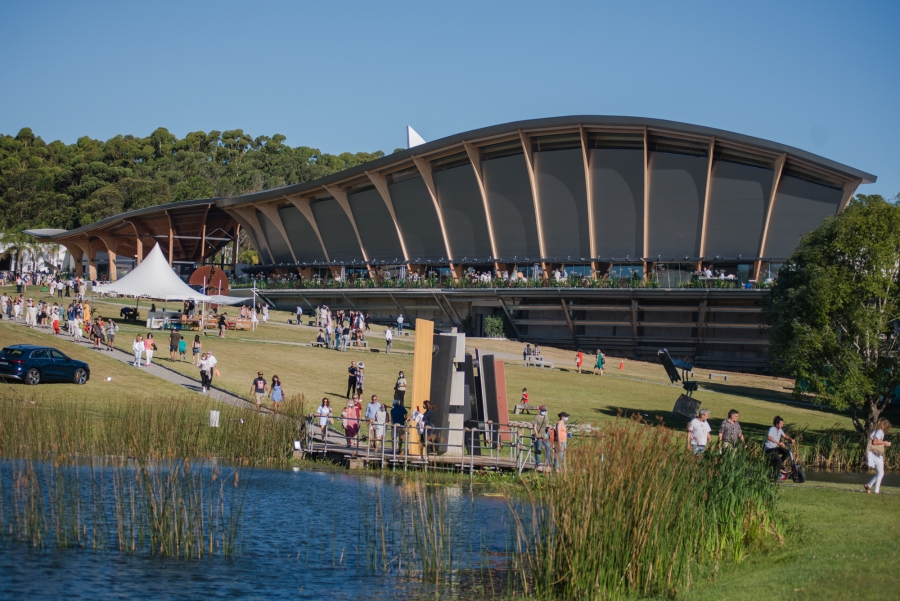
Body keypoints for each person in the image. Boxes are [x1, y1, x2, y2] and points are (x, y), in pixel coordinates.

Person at [865, 419, 892, 494]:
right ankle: (876, 490)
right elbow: (875, 442)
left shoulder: (877, 431)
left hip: (875, 453)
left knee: (880, 473)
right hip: (876, 454)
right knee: (881, 473)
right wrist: (885, 443)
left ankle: (868, 485)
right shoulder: (880, 431)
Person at [532, 405, 550, 469]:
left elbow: (547, 426)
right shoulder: (536, 417)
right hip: (539, 435)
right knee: (538, 450)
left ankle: (547, 463)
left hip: (545, 435)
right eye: (543, 410)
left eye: (545, 410)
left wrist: (547, 435)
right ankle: (538, 463)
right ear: (539, 410)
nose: (544, 411)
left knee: (548, 449)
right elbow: (534, 427)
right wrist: (537, 435)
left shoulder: (546, 417)